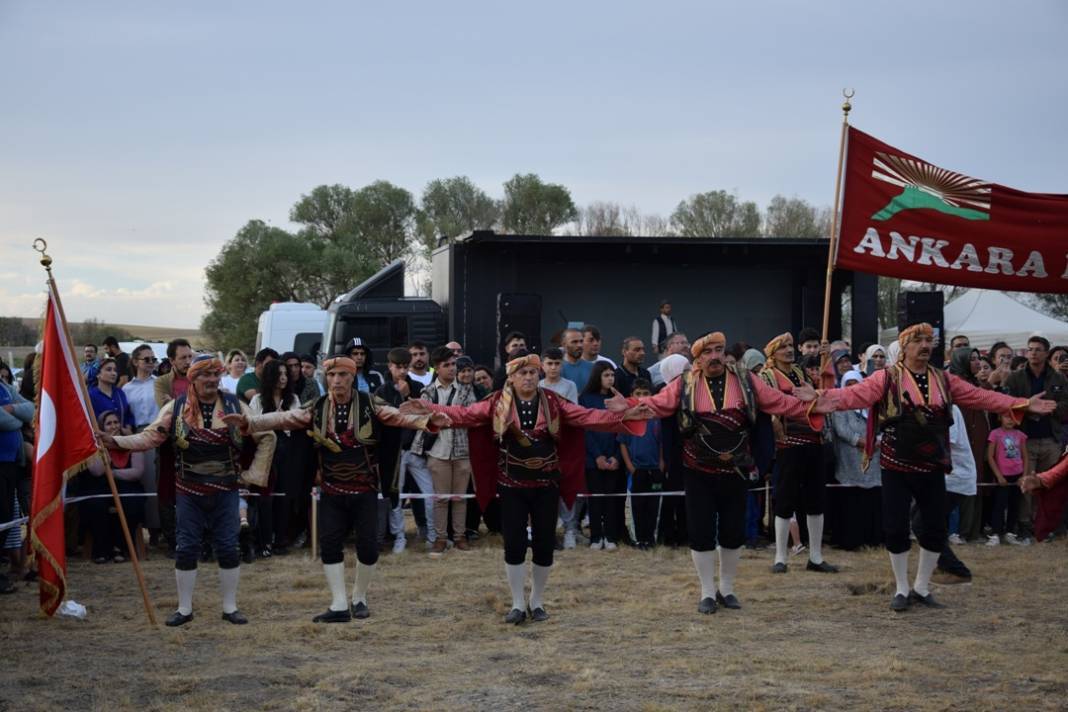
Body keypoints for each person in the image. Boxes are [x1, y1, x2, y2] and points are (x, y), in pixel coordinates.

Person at [818, 323, 1054, 611]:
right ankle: (902, 589)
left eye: (930, 340)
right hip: (895, 462)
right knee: (894, 528)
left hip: (931, 463)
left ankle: (921, 586)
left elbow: (982, 397)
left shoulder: (945, 379)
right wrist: (819, 399)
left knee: (934, 528)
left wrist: (1021, 404)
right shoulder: (886, 378)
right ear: (904, 347)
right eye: (918, 340)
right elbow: (851, 396)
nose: (926, 345)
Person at [402, 352, 652, 624]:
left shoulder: (555, 403)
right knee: (514, 544)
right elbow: (464, 415)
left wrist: (625, 413)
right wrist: (430, 408)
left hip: (547, 484)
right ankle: (518, 603)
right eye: (523, 373)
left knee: (545, 544)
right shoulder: (496, 403)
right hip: (511, 485)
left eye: (533, 372)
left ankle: (537, 601)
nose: (529, 377)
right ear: (511, 377)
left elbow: (588, 417)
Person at [228, 353, 445, 623]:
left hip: (364, 488)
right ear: (325, 378)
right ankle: (339, 603)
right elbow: (284, 418)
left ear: (353, 377)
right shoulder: (316, 406)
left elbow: (396, 417)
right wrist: (250, 423)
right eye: (331, 375)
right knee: (330, 545)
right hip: (330, 489)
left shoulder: (369, 403)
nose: (336, 380)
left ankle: (360, 598)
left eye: (342, 375)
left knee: (368, 547)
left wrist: (427, 421)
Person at [638, 332, 832, 614]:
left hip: (736, 470)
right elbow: (657, 405)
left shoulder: (746, 379)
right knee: (701, 531)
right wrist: (630, 408)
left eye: (719, 350)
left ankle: (727, 589)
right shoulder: (684, 383)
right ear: (698, 358)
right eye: (708, 352)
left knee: (733, 531)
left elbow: (778, 402)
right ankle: (706, 592)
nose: (715, 356)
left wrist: (813, 403)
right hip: (697, 469)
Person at [105, 354, 277, 627]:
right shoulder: (175, 408)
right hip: (188, 491)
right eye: (203, 375)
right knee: (186, 549)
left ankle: (230, 607)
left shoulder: (235, 404)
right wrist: (115, 441)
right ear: (192, 379)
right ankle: (184, 609)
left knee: (228, 547)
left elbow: (267, 434)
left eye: (214, 375)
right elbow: (150, 436)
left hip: (226, 491)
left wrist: (253, 475)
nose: (210, 380)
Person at [760, 332, 837, 574]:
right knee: (785, 500)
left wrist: (826, 357)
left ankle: (815, 556)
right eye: (783, 347)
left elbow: (821, 392)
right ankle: (780, 557)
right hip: (787, 444)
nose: (789, 350)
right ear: (773, 352)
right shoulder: (767, 375)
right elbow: (768, 405)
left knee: (816, 500)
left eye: (791, 346)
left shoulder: (801, 372)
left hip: (812, 440)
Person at [410, 346, 478, 556]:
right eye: (446, 365)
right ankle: (440, 538)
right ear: (436, 368)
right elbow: (423, 419)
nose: (451, 368)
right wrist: (448, 418)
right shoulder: (427, 392)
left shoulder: (466, 389)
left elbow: (469, 415)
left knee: (459, 497)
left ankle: (459, 537)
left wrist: (443, 417)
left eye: (453, 365)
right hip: (437, 451)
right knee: (440, 498)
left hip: (462, 450)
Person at [1002, 336, 1068, 542]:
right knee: (1027, 484)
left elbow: (1066, 405)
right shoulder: (1015, 378)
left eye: (1038, 350)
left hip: (1051, 438)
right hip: (1025, 438)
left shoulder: (1059, 379)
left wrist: (1052, 409)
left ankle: (1046, 526)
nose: (1033, 353)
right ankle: (1025, 526)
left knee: (1049, 485)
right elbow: (1006, 405)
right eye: (1030, 349)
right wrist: (1027, 410)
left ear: (1046, 353)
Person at [248, 360, 305, 556]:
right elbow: (252, 425)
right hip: (264, 451)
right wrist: (275, 419)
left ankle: (280, 539)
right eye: (279, 374)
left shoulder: (294, 399)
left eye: (285, 374)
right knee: (265, 498)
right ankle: (264, 541)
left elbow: (297, 424)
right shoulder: (257, 400)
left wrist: (283, 420)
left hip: (286, 451)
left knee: (283, 497)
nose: (283, 378)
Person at [375, 347, 428, 554]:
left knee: (427, 491)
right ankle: (399, 535)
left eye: (405, 367)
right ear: (390, 367)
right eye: (399, 367)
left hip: (416, 448)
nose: (403, 371)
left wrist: (408, 396)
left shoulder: (417, 387)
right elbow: (384, 419)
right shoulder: (382, 391)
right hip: (391, 449)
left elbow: (423, 412)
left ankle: (432, 533)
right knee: (394, 493)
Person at [829, 371, 882, 550]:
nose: (852, 387)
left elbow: (882, 425)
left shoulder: (873, 405)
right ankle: (851, 540)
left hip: (872, 461)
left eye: (856, 383)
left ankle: (873, 539)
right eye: (848, 383)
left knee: (872, 501)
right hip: (849, 461)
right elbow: (841, 430)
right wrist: (861, 441)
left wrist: (876, 441)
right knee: (852, 502)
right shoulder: (840, 406)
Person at [84, 411, 145, 563]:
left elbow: (137, 472)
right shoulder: (94, 445)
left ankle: (121, 546)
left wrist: (112, 473)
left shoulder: (131, 442)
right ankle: (102, 549)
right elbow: (97, 471)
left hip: (127, 486)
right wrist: (106, 447)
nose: (114, 426)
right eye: (109, 423)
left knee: (131, 504)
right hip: (101, 487)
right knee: (96, 506)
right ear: (101, 427)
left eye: (116, 422)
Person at [153, 338, 195, 557]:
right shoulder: (161, 382)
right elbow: (167, 409)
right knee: (167, 492)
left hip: (197, 445)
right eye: (183, 358)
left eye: (190, 356)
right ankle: (172, 541)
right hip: (169, 445)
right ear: (172, 360)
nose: (188, 361)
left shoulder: (199, 379)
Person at [580, 363, 625, 550]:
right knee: (596, 499)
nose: (610, 379)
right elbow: (586, 430)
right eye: (606, 375)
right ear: (598, 376)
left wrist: (616, 456)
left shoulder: (618, 399)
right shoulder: (585, 399)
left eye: (612, 375)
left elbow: (623, 427)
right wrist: (597, 456)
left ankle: (611, 536)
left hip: (613, 456)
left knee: (611, 498)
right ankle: (596, 536)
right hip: (593, 459)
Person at [123, 344, 161, 541]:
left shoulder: (160, 383)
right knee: (147, 482)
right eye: (146, 359)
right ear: (135, 361)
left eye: (153, 359)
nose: (151, 363)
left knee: (161, 481)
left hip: (160, 432)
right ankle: (152, 529)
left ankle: (163, 528)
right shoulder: (127, 389)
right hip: (140, 435)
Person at [619, 378, 663, 549]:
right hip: (637, 470)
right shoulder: (629, 417)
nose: (642, 397)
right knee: (637, 506)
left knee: (653, 505)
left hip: (654, 469)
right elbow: (622, 443)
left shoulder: (656, 418)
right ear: (631, 396)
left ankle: (650, 537)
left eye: (646, 394)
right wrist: (630, 466)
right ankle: (639, 539)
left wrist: (660, 462)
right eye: (638, 394)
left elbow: (660, 443)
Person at [0, 376, 33, 594]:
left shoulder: (5, 387)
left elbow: (31, 409)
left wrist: (9, 407)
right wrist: (17, 417)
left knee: (5, 517)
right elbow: (4, 421)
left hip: (11, 462)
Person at [654, 354, 690, 549]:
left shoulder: (691, 391)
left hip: (690, 449)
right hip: (672, 452)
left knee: (688, 496)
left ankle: (685, 535)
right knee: (671, 496)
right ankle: (667, 536)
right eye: (685, 369)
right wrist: (663, 458)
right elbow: (664, 432)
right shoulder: (665, 392)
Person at [986, 411, 1029, 546]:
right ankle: (995, 534)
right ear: (1000, 418)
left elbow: (1025, 457)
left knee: (1014, 505)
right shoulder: (995, 434)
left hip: (1017, 475)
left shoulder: (1020, 435)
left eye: (1013, 417)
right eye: (1006, 417)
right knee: (999, 504)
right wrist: (998, 475)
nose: (1010, 420)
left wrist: (1024, 476)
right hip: (1002, 475)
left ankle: (1010, 533)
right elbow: (990, 456)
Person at [89, 358, 135, 434]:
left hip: (121, 440)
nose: (114, 373)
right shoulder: (91, 396)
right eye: (109, 370)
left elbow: (128, 415)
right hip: (102, 441)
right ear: (98, 374)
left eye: (115, 370)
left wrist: (128, 429)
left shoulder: (120, 392)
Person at [560, 328, 594, 393]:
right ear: (564, 345)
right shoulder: (556, 368)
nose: (579, 345)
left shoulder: (592, 368)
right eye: (574, 342)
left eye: (581, 341)